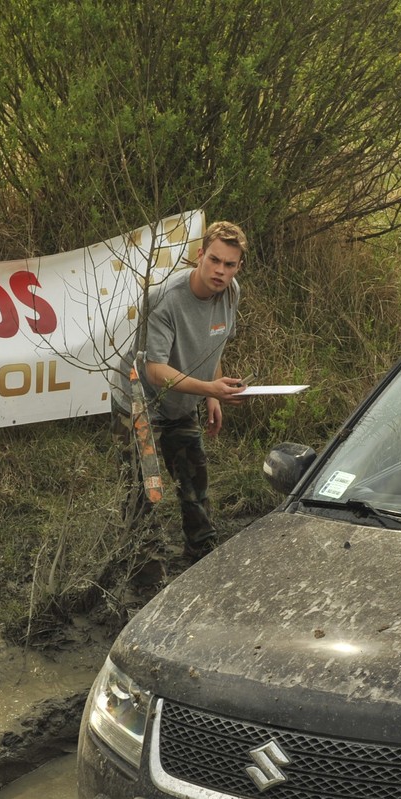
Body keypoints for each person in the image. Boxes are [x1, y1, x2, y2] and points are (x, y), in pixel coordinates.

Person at [116, 220, 249, 563]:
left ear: (238, 266)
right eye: (214, 260)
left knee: (195, 480)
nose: (220, 271)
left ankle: (201, 553)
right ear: (200, 255)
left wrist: (210, 396)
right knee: (145, 489)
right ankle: (140, 567)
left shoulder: (231, 292)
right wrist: (209, 388)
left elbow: (213, 345)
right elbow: (155, 370)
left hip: (183, 398)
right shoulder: (166, 299)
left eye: (229, 265)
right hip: (140, 401)